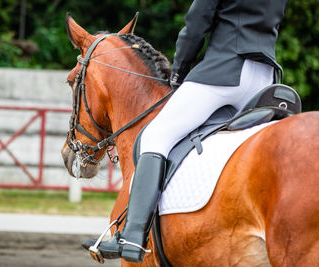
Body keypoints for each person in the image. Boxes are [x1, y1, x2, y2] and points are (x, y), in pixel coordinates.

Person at [83, 0, 288, 263]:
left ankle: (133, 235)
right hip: (265, 79)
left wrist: (179, 71)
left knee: (155, 137)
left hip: (224, 72)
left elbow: (196, 23)